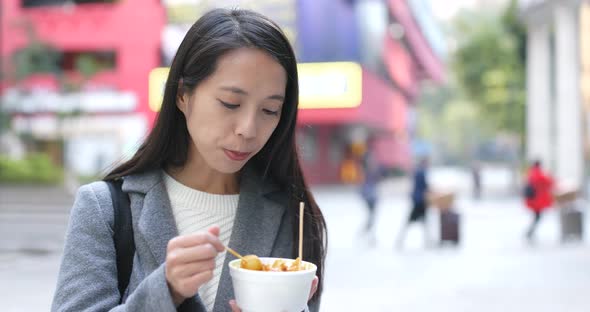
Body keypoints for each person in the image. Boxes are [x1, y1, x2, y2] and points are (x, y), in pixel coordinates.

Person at [51, 9, 327, 312]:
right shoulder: (105, 209)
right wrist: (164, 291)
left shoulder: (292, 216)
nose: (248, 129)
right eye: (230, 103)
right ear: (183, 95)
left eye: (270, 110)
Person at [396, 157, 430, 248]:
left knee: (423, 222)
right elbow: (425, 186)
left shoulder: (418, 171)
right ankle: (400, 240)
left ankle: (428, 241)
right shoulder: (421, 172)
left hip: (417, 200)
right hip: (420, 201)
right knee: (413, 221)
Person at [524, 160, 554, 241]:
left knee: (537, 217)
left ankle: (530, 232)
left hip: (534, 200)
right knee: (537, 217)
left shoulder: (531, 173)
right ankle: (529, 232)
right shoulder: (538, 173)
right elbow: (549, 182)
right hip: (537, 200)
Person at [359, 138, 381, 245]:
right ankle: (366, 233)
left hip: (371, 194)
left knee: (372, 215)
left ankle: (369, 234)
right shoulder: (366, 174)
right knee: (372, 215)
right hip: (369, 194)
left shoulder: (370, 172)